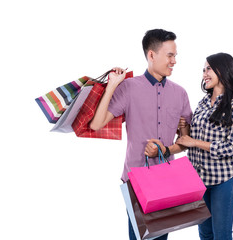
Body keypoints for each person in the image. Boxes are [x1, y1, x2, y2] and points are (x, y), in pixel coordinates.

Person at [90, 29, 192, 240]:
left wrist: (166, 149)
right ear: (151, 55)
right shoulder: (129, 88)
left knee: (161, 239)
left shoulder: (180, 93)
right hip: (135, 180)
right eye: (170, 55)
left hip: (167, 180)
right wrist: (111, 86)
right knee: (139, 238)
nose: (174, 61)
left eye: (175, 55)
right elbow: (97, 124)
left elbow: (184, 142)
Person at [176, 53, 233, 240]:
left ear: (223, 70)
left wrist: (194, 142)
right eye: (203, 69)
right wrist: (184, 130)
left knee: (222, 235)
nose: (204, 74)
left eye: (208, 68)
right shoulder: (202, 104)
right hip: (198, 182)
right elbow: (190, 140)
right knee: (205, 234)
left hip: (222, 182)